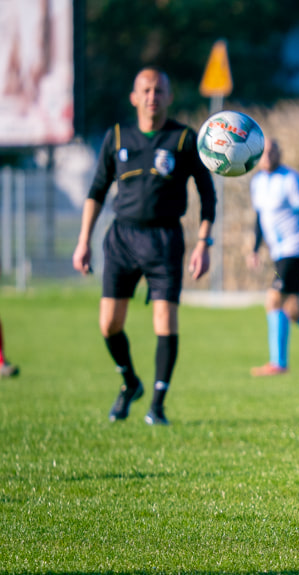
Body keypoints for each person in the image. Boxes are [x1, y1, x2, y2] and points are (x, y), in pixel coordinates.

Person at [72, 66, 216, 426]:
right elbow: (97, 191)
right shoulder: (117, 136)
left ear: (169, 96)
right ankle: (129, 383)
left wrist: (203, 242)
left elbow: (208, 195)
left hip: (165, 239)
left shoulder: (185, 139)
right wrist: (83, 241)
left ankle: (158, 404)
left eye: (160, 91)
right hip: (121, 238)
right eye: (146, 90)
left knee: (164, 320)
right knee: (109, 325)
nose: (153, 97)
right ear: (135, 97)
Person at [247, 137, 299, 376]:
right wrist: (255, 248)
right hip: (278, 252)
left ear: (279, 153)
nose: (267, 156)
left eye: (272, 151)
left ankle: (278, 363)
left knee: (273, 301)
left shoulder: (291, 179)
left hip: (295, 249)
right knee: (293, 311)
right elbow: (259, 218)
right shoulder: (257, 182)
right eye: (263, 153)